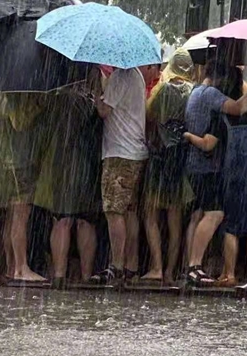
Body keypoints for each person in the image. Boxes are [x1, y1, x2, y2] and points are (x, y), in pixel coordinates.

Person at [186, 66, 247, 286]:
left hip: (233, 177)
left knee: (231, 226)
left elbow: (208, 145)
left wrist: (187, 135)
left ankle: (230, 274)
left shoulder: (222, 117)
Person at [35, 73, 103, 287]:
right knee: (85, 220)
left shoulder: (52, 100)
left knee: (61, 218)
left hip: (57, 162)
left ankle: (59, 275)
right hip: (84, 163)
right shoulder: (89, 103)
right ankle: (85, 276)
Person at [93, 65, 153, 284]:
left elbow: (104, 111)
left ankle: (116, 265)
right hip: (136, 151)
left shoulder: (121, 76)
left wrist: (97, 95)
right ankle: (131, 265)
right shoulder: (136, 75)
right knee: (129, 211)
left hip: (119, 153)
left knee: (113, 210)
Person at [142, 49, 195, 284]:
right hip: (180, 160)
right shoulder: (193, 92)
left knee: (151, 214)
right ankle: (171, 272)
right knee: (175, 220)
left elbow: (148, 114)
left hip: (160, 157)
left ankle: (156, 267)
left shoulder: (163, 90)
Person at [0, 92, 49, 283]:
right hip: (18, 163)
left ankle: (12, 266)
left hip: (5, 163)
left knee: (11, 218)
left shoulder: (4, 95)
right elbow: (20, 122)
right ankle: (21, 267)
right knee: (20, 216)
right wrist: (40, 107)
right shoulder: (16, 97)